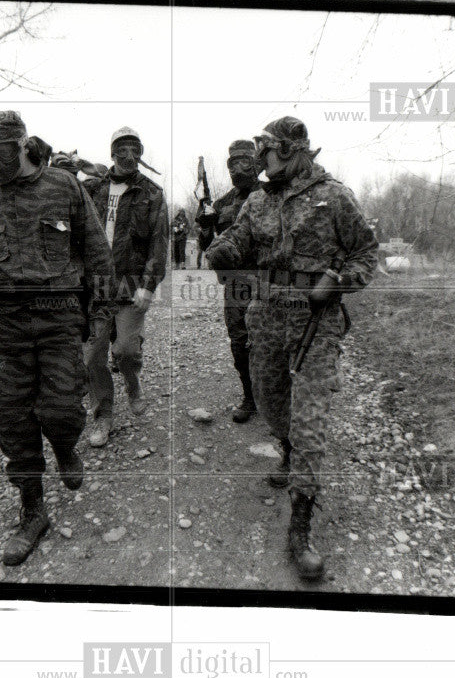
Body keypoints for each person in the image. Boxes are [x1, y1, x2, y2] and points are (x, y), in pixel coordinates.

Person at [204, 116, 378, 582]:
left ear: (294, 150)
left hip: (316, 320)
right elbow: (238, 241)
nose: (261, 162)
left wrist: (339, 280)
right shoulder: (258, 200)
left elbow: (366, 253)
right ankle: (286, 448)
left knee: (310, 415)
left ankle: (300, 525)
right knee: (270, 398)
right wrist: (220, 248)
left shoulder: (334, 196)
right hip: (265, 314)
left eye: (268, 153)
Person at [0, 111, 114, 567]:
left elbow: (97, 251)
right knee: (12, 417)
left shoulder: (64, 186)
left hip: (59, 318)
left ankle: (64, 446)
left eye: (2, 152)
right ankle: (32, 511)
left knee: (60, 407)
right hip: (4, 326)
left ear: (22, 144)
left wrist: (100, 312)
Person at [82, 126, 169, 447]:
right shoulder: (93, 190)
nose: (129, 156)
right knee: (92, 358)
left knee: (127, 351)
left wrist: (149, 285)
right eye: (122, 150)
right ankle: (103, 415)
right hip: (96, 288)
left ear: (141, 154)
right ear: (112, 153)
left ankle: (133, 385)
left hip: (132, 286)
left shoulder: (152, 193)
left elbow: (159, 244)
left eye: (135, 150)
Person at [195, 139, 262, 423]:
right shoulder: (222, 203)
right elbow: (208, 248)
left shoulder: (271, 196)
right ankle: (250, 396)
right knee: (239, 342)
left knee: (270, 342)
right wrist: (206, 226)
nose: (238, 167)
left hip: (268, 283)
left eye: (244, 161)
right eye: (232, 163)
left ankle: (278, 395)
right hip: (235, 286)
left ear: (257, 163)